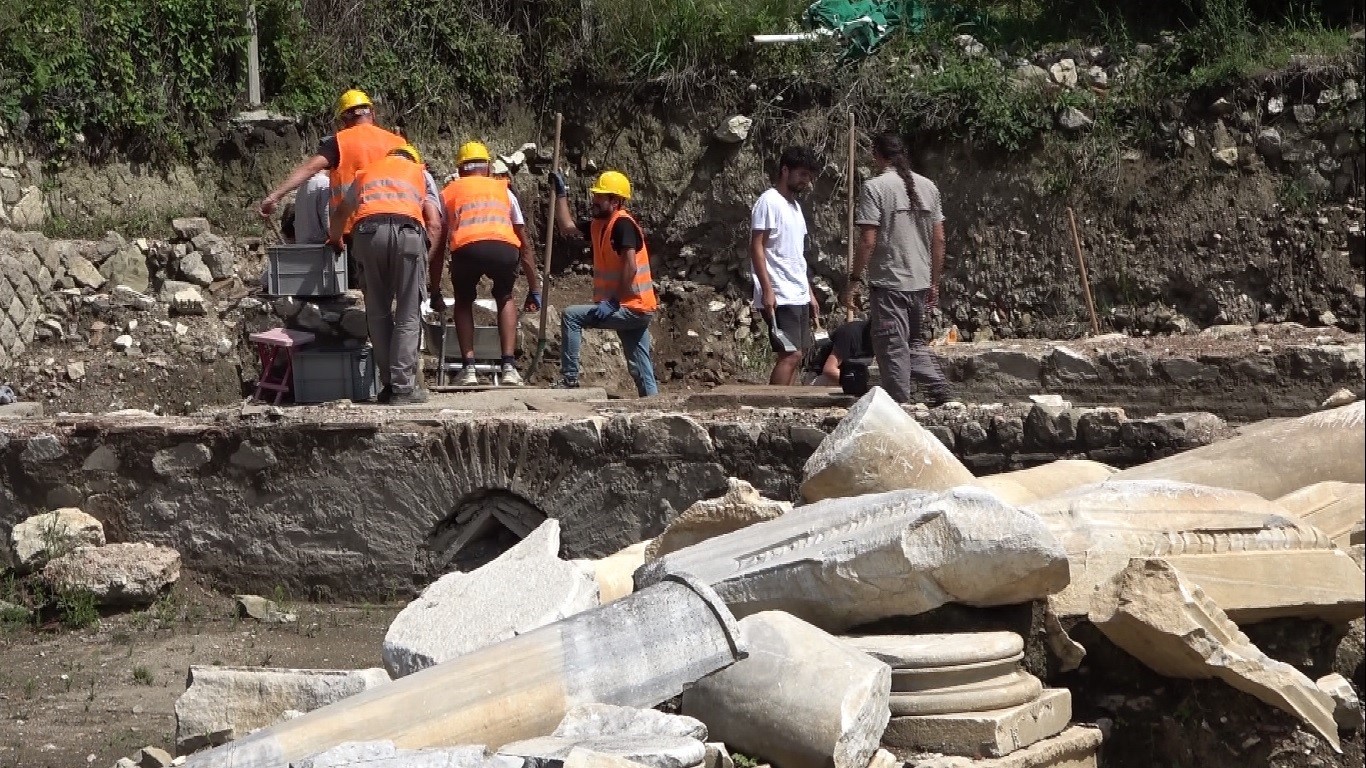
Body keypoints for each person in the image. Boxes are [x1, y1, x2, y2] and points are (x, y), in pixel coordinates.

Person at [841, 131, 953, 406]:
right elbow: (939, 239)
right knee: (913, 343)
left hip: (890, 284)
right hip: (919, 283)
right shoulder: (929, 186)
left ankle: (899, 407)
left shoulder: (875, 188)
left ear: (877, 154)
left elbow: (868, 241)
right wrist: (934, 282)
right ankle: (941, 391)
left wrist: (854, 280)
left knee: (892, 347)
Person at [329, 144, 443, 406]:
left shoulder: (366, 173)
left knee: (378, 312)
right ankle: (403, 389)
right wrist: (425, 258)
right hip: (407, 233)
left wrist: (335, 240)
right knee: (407, 312)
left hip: (368, 234)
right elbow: (435, 222)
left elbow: (341, 214)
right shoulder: (420, 173)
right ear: (412, 159)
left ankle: (389, 385)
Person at [257, 89, 406, 288]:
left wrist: (274, 196)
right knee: (393, 289)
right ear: (372, 113)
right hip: (401, 225)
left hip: (357, 228)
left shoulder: (341, 141)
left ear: (344, 118)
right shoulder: (397, 142)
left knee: (362, 290)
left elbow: (310, 168)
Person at [434, 141, 542, 387]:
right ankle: (508, 367)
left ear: (460, 170)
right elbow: (525, 247)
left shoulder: (449, 192)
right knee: (504, 297)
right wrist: (535, 289)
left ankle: (469, 369)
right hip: (504, 249)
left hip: (467, 248)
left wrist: (433, 288)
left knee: (463, 300)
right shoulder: (504, 190)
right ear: (488, 169)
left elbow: (438, 245)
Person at [550, 169, 659, 397]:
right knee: (639, 367)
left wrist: (613, 301)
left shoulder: (623, 225)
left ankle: (570, 378)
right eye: (596, 195)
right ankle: (652, 402)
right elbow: (567, 228)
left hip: (630, 306)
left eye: (601, 196)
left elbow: (630, 266)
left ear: (616, 200)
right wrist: (561, 195)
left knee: (571, 316)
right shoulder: (599, 225)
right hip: (633, 307)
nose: (595, 200)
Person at [750, 146, 822, 385]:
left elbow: (796, 255)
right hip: (780, 292)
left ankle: (785, 402)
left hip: (797, 292)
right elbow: (757, 246)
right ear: (785, 171)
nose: (806, 181)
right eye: (802, 174)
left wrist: (809, 293)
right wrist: (767, 289)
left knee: (797, 354)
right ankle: (772, 406)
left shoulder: (795, 207)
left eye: (809, 176)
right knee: (790, 353)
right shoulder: (768, 202)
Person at [807, 319, 873, 386]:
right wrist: (865, 381)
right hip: (822, 376)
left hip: (855, 376)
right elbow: (829, 370)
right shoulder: (850, 333)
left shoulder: (880, 340)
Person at [290, 170, 332, 245]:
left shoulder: (304, 184)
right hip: (320, 246)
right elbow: (327, 217)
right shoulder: (325, 184)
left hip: (302, 244)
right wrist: (335, 238)